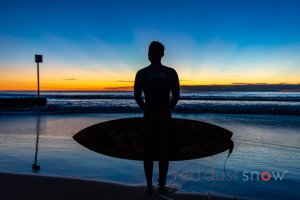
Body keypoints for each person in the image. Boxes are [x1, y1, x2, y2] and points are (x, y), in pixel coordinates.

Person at [134, 41, 180, 194]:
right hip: (164, 116)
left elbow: (137, 96)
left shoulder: (141, 73)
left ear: (149, 54)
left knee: (148, 152)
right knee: (163, 152)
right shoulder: (171, 72)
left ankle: (148, 185)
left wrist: (146, 109)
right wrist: (168, 110)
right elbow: (176, 96)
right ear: (162, 54)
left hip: (149, 116)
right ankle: (161, 186)